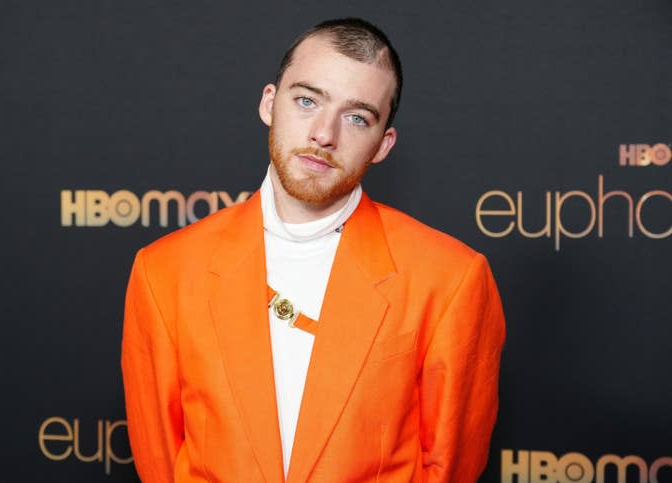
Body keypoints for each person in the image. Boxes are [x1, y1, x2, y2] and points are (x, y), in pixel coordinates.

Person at [122, 17, 506, 483]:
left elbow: (451, 466)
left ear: (383, 145)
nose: (325, 133)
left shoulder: (450, 280)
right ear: (269, 104)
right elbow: (160, 460)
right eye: (307, 100)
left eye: (356, 117)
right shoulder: (164, 272)